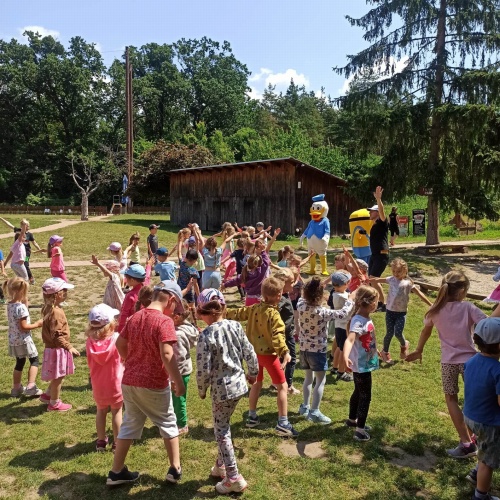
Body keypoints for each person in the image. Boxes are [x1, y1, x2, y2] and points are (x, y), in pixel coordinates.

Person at [405, 271, 500, 458]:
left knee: (451, 399)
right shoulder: (468, 308)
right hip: (471, 363)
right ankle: (482, 439)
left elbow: (425, 331)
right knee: (475, 399)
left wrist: (419, 350)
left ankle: (466, 442)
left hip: (448, 362)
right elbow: (488, 325)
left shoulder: (435, 310)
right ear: (463, 291)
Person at [106, 281, 186, 486]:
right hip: (153, 382)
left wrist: (129, 360)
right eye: (176, 306)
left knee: (130, 423)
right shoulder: (164, 321)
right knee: (168, 422)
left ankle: (116, 472)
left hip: (130, 381)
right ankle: (175, 469)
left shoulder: (135, 317)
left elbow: (120, 343)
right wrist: (178, 381)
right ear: (172, 300)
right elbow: (167, 354)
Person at [196, 288, 258, 494]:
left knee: (221, 431)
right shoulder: (235, 326)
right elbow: (249, 351)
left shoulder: (205, 335)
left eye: (201, 313)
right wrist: (253, 373)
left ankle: (233, 477)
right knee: (224, 424)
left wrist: (202, 389)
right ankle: (220, 466)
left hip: (222, 391)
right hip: (240, 386)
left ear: (204, 313)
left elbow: (203, 368)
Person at [226, 277, 297, 437]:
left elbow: (236, 313)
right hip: (269, 356)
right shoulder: (274, 315)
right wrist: (285, 352)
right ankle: (283, 423)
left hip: (253, 355)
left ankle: (252, 416)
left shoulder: (253, 308)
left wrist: (222, 311)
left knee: (257, 383)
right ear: (279, 295)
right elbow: (279, 336)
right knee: (282, 387)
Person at [297, 277, 354, 424]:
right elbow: (343, 313)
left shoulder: (300, 304)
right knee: (320, 380)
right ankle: (314, 411)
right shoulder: (323, 312)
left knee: (308, 379)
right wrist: (350, 300)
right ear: (321, 295)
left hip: (303, 349)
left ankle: (305, 406)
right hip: (318, 351)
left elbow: (306, 295)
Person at [462, 318, 500, 500]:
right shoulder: (498, 370)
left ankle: (476, 472)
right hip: (489, 422)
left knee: (483, 449)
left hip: (470, 417)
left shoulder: (471, 361)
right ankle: (480, 495)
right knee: (488, 461)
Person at [371, 258, 432, 364]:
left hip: (401, 313)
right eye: (394, 271)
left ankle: (404, 345)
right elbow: (377, 280)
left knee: (398, 333)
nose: (396, 274)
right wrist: (369, 280)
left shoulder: (408, 283)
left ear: (405, 270)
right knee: (389, 333)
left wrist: (431, 304)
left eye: (398, 271)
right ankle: (385, 352)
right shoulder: (391, 279)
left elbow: (419, 294)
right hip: (390, 312)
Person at [343, 285, 380, 441]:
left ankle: (352, 420)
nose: (378, 304)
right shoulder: (358, 320)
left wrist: (376, 350)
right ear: (370, 303)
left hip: (365, 361)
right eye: (377, 301)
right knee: (366, 396)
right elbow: (350, 339)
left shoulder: (365, 317)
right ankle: (360, 430)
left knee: (358, 392)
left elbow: (367, 338)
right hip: (361, 365)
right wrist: (345, 356)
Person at [85, 304, 123, 452]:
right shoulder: (116, 339)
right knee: (117, 412)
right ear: (110, 324)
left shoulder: (89, 342)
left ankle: (101, 441)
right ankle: (117, 443)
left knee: (100, 411)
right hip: (115, 383)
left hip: (98, 383)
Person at [39, 278, 80, 411]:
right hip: (57, 349)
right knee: (58, 377)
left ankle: (47, 395)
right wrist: (69, 347)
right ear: (57, 294)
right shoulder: (56, 312)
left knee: (57, 374)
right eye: (64, 290)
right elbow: (57, 335)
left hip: (53, 349)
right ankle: (54, 403)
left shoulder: (49, 308)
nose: (67, 292)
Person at [4, 277, 43, 397]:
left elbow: (23, 307)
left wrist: (24, 299)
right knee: (34, 360)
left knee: (20, 362)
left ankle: (16, 388)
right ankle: (31, 386)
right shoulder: (21, 308)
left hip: (14, 340)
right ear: (23, 291)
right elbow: (24, 326)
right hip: (24, 339)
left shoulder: (10, 305)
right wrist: (37, 324)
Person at [171, 300, 198, 435]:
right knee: (177, 398)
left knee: (179, 398)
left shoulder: (177, 335)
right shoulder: (187, 325)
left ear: (176, 317)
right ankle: (176, 420)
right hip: (183, 371)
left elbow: (179, 359)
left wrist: (174, 378)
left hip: (179, 372)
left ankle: (182, 424)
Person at [274, 268, 300, 395]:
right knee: (291, 359)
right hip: (285, 334)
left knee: (281, 358)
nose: (294, 283)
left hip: (285, 333)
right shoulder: (281, 299)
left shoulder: (284, 295)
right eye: (291, 282)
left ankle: (277, 382)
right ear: (283, 284)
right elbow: (273, 311)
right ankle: (288, 385)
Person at [327, 271, 353, 381]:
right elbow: (350, 302)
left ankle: (335, 367)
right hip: (343, 327)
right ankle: (341, 372)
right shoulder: (341, 297)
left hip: (339, 326)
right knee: (343, 350)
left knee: (339, 347)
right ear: (345, 283)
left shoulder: (335, 293)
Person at [0, 217, 42, 284]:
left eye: (28, 225)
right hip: (17, 251)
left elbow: (34, 243)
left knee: (26, 264)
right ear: (22, 226)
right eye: (26, 225)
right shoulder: (18, 231)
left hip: (27, 253)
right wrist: (1, 219)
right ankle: (21, 280)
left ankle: (31, 278)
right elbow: (9, 224)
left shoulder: (29, 234)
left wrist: (39, 250)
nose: (28, 227)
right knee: (20, 265)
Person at [367, 186, 389, 311]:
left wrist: (379, 199)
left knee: (374, 279)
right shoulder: (375, 225)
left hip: (382, 254)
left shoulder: (382, 222)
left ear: (377, 212)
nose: (370, 213)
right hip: (375, 254)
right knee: (371, 279)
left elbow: (382, 212)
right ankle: (377, 301)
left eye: (371, 211)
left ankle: (382, 303)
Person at [117, 264, 147, 333]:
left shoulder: (130, 296)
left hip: (133, 327)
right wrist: (148, 266)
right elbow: (147, 276)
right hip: (145, 325)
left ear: (133, 280)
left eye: (126, 278)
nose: (125, 280)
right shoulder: (146, 288)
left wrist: (120, 331)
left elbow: (124, 314)